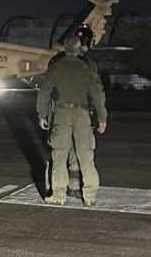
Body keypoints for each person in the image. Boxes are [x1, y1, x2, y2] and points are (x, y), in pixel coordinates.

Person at [37, 32, 108, 205]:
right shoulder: (86, 68)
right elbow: (97, 94)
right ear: (78, 49)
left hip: (62, 114)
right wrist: (102, 118)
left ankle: (59, 195)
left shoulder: (55, 68)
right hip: (82, 114)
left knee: (60, 155)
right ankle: (90, 195)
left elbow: (44, 92)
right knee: (86, 155)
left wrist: (42, 114)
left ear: (64, 48)